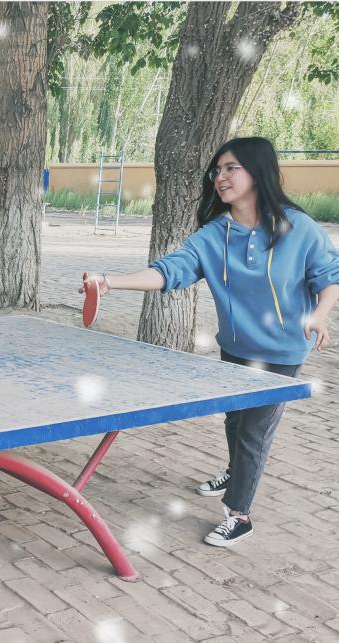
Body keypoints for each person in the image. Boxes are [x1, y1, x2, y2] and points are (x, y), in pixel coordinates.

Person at [80, 137, 339, 547]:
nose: (220, 177)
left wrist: (320, 314)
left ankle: (239, 514)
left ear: (258, 171)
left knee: (254, 431)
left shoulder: (298, 227)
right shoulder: (214, 234)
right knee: (235, 420)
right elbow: (170, 271)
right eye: (217, 170)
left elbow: (329, 276)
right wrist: (110, 281)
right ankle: (236, 472)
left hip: (282, 351)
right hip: (236, 346)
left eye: (231, 168)